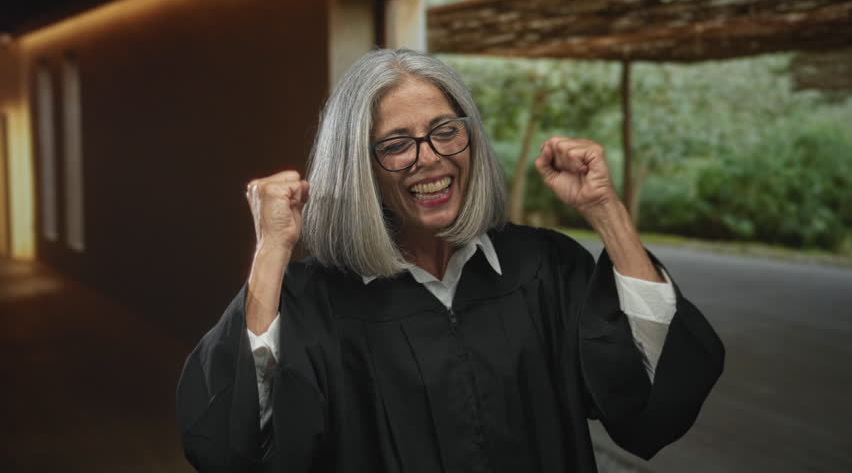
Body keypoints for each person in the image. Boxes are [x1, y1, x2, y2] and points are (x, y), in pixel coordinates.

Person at [176, 49, 724, 472]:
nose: (430, 159)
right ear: (357, 167)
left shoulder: (542, 269)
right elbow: (238, 441)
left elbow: (654, 392)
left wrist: (606, 212)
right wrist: (271, 251)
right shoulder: (314, 300)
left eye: (445, 131)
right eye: (396, 144)